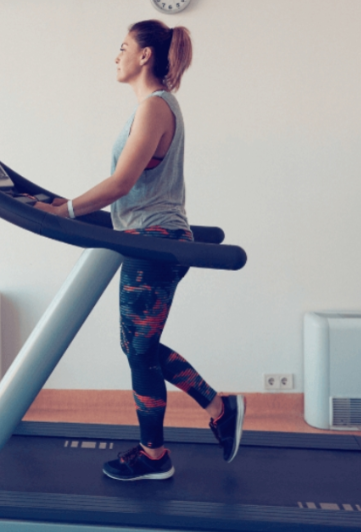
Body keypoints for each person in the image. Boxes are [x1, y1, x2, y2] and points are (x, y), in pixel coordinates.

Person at [33, 20, 245, 481]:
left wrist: (64, 210)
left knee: (138, 350)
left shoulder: (154, 108)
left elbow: (122, 183)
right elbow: (130, 186)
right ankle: (216, 408)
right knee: (138, 347)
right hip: (148, 239)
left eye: (124, 47)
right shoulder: (153, 107)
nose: (117, 55)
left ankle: (157, 455)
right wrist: (58, 207)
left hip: (155, 242)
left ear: (145, 55)